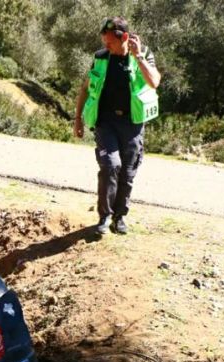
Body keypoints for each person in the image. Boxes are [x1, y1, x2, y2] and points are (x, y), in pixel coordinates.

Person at [73, 17, 161, 235]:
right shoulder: (101, 58)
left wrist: (138, 56)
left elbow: (154, 81)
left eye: (110, 42)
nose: (106, 46)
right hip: (106, 122)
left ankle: (119, 218)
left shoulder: (143, 55)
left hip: (132, 124)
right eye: (104, 41)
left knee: (128, 172)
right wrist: (78, 118)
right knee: (110, 165)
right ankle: (104, 217)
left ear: (124, 38)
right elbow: (85, 88)